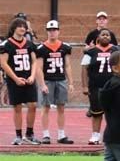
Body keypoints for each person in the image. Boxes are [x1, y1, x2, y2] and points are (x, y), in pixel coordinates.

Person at [35, 20, 74, 144]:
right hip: (48, 79)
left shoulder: (65, 47)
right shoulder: (41, 48)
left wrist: (71, 82)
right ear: (47, 32)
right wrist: (42, 84)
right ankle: (46, 135)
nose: (52, 32)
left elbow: (67, 65)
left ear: (58, 31)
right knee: (45, 107)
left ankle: (61, 135)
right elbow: (39, 68)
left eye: (54, 30)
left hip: (61, 79)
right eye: (50, 30)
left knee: (61, 107)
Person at [2, 17, 39, 145]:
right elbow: (3, 63)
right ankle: (18, 135)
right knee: (17, 107)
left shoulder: (29, 44)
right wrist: (16, 79)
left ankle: (29, 134)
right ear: (14, 28)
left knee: (33, 105)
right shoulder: (6, 44)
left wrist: (33, 76)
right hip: (14, 79)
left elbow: (34, 62)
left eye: (24, 26)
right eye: (20, 26)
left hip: (28, 78)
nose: (23, 28)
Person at [82, 29, 118, 145]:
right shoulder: (91, 52)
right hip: (95, 86)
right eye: (103, 35)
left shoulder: (116, 51)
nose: (105, 37)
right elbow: (84, 68)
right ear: (98, 37)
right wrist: (84, 86)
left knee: (112, 112)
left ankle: (112, 134)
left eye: (107, 35)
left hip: (113, 86)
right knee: (96, 112)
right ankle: (95, 136)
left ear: (110, 38)